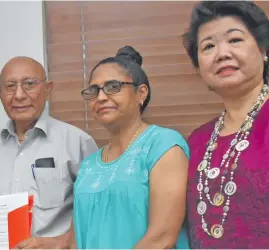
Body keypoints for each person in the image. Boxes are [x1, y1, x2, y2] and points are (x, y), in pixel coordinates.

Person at [181, 1, 269, 248]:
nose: (222, 53)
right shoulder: (196, 141)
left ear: (263, 48)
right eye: (208, 46)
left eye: (234, 40)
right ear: (199, 67)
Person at [0, 56, 97, 249]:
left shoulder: (77, 143)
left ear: (47, 89)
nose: (19, 95)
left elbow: (98, 212)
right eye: (10, 86)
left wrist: (61, 242)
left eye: (29, 84)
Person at [72, 46, 190, 248]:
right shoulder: (88, 165)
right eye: (93, 91)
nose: (100, 98)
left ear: (141, 93)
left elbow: (162, 238)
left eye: (113, 87)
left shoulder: (163, 145)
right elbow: (77, 241)